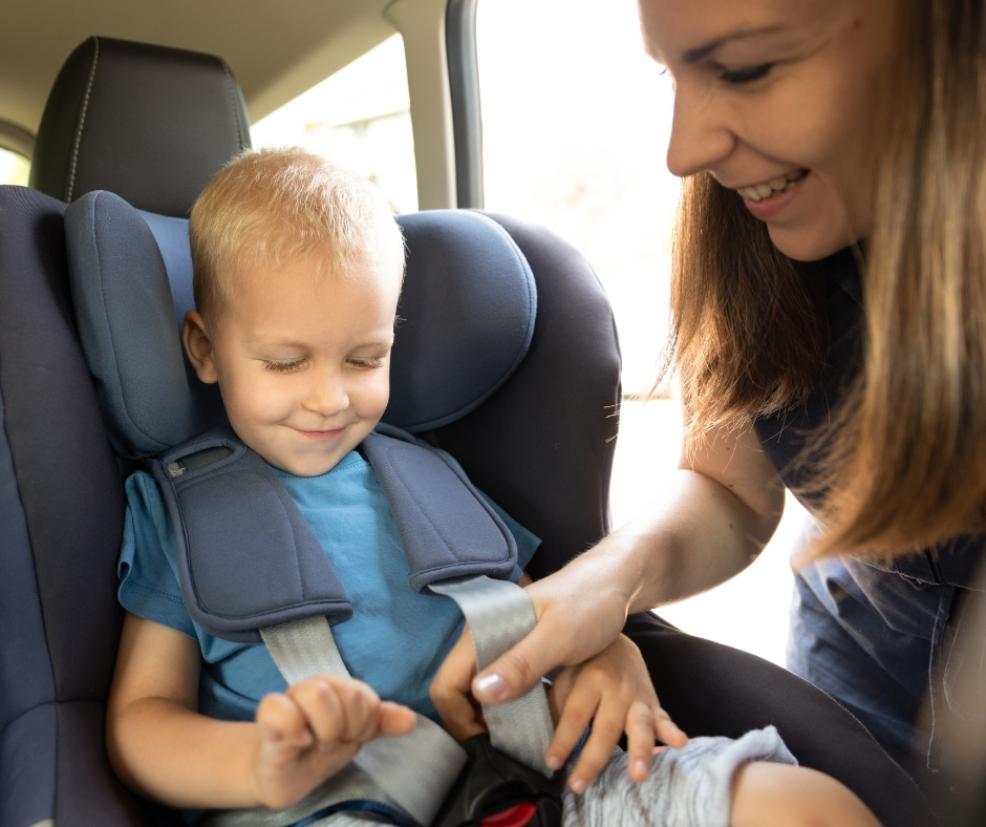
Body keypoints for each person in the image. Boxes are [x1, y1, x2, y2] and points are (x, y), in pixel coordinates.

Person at [104, 147, 882, 827]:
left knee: (808, 805)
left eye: (363, 358)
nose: (330, 398)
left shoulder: (431, 479)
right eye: (285, 362)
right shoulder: (185, 514)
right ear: (205, 348)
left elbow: (532, 611)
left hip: (531, 777)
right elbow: (140, 721)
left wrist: (603, 653)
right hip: (322, 805)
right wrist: (255, 761)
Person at [431, 0, 986, 801]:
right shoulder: (761, 234)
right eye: (672, 75)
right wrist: (602, 581)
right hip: (853, 683)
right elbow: (728, 488)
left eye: (746, 70)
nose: (684, 151)